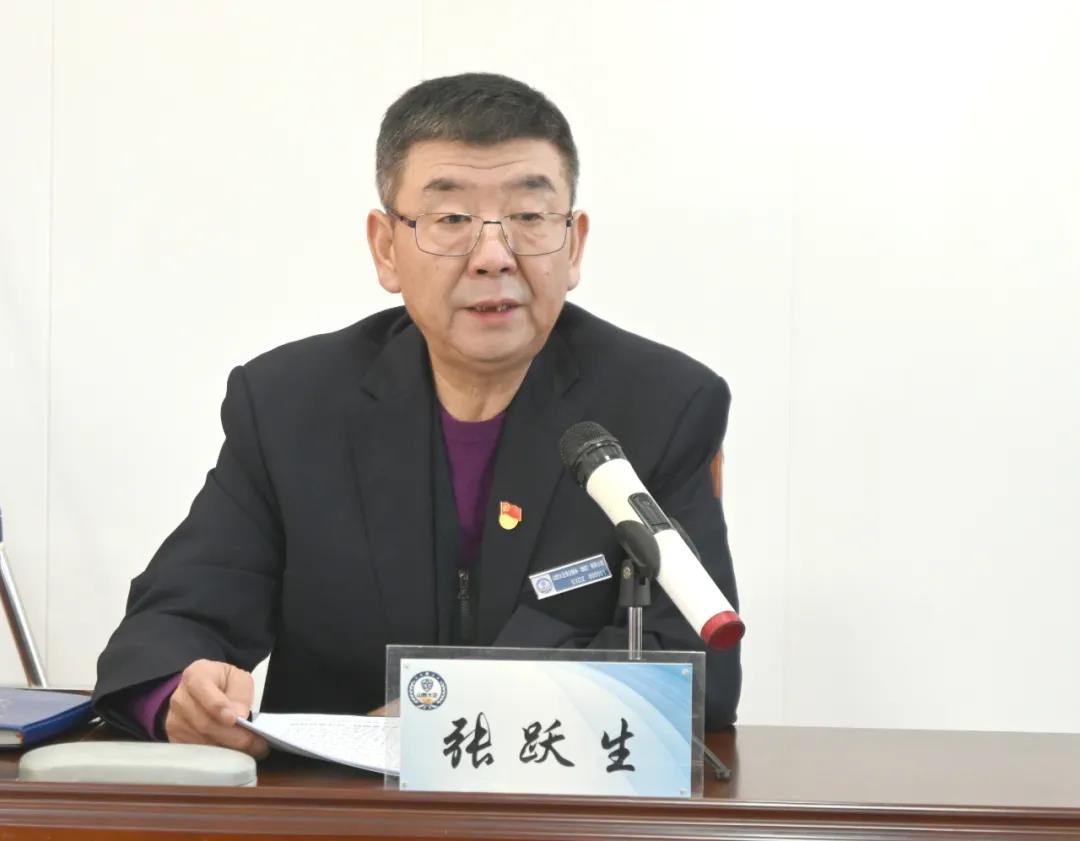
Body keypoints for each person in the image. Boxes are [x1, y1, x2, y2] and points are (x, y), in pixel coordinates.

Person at [93, 73, 741, 758]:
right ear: (386, 248)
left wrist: (452, 709)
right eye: (452, 220)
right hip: (336, 805)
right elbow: (174, 620)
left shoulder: (662, 405)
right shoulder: (290, 405)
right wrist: (183, 695)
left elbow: (697, 672)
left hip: (558, 799)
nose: (493, 256)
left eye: (529, 216)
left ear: (573, 244)